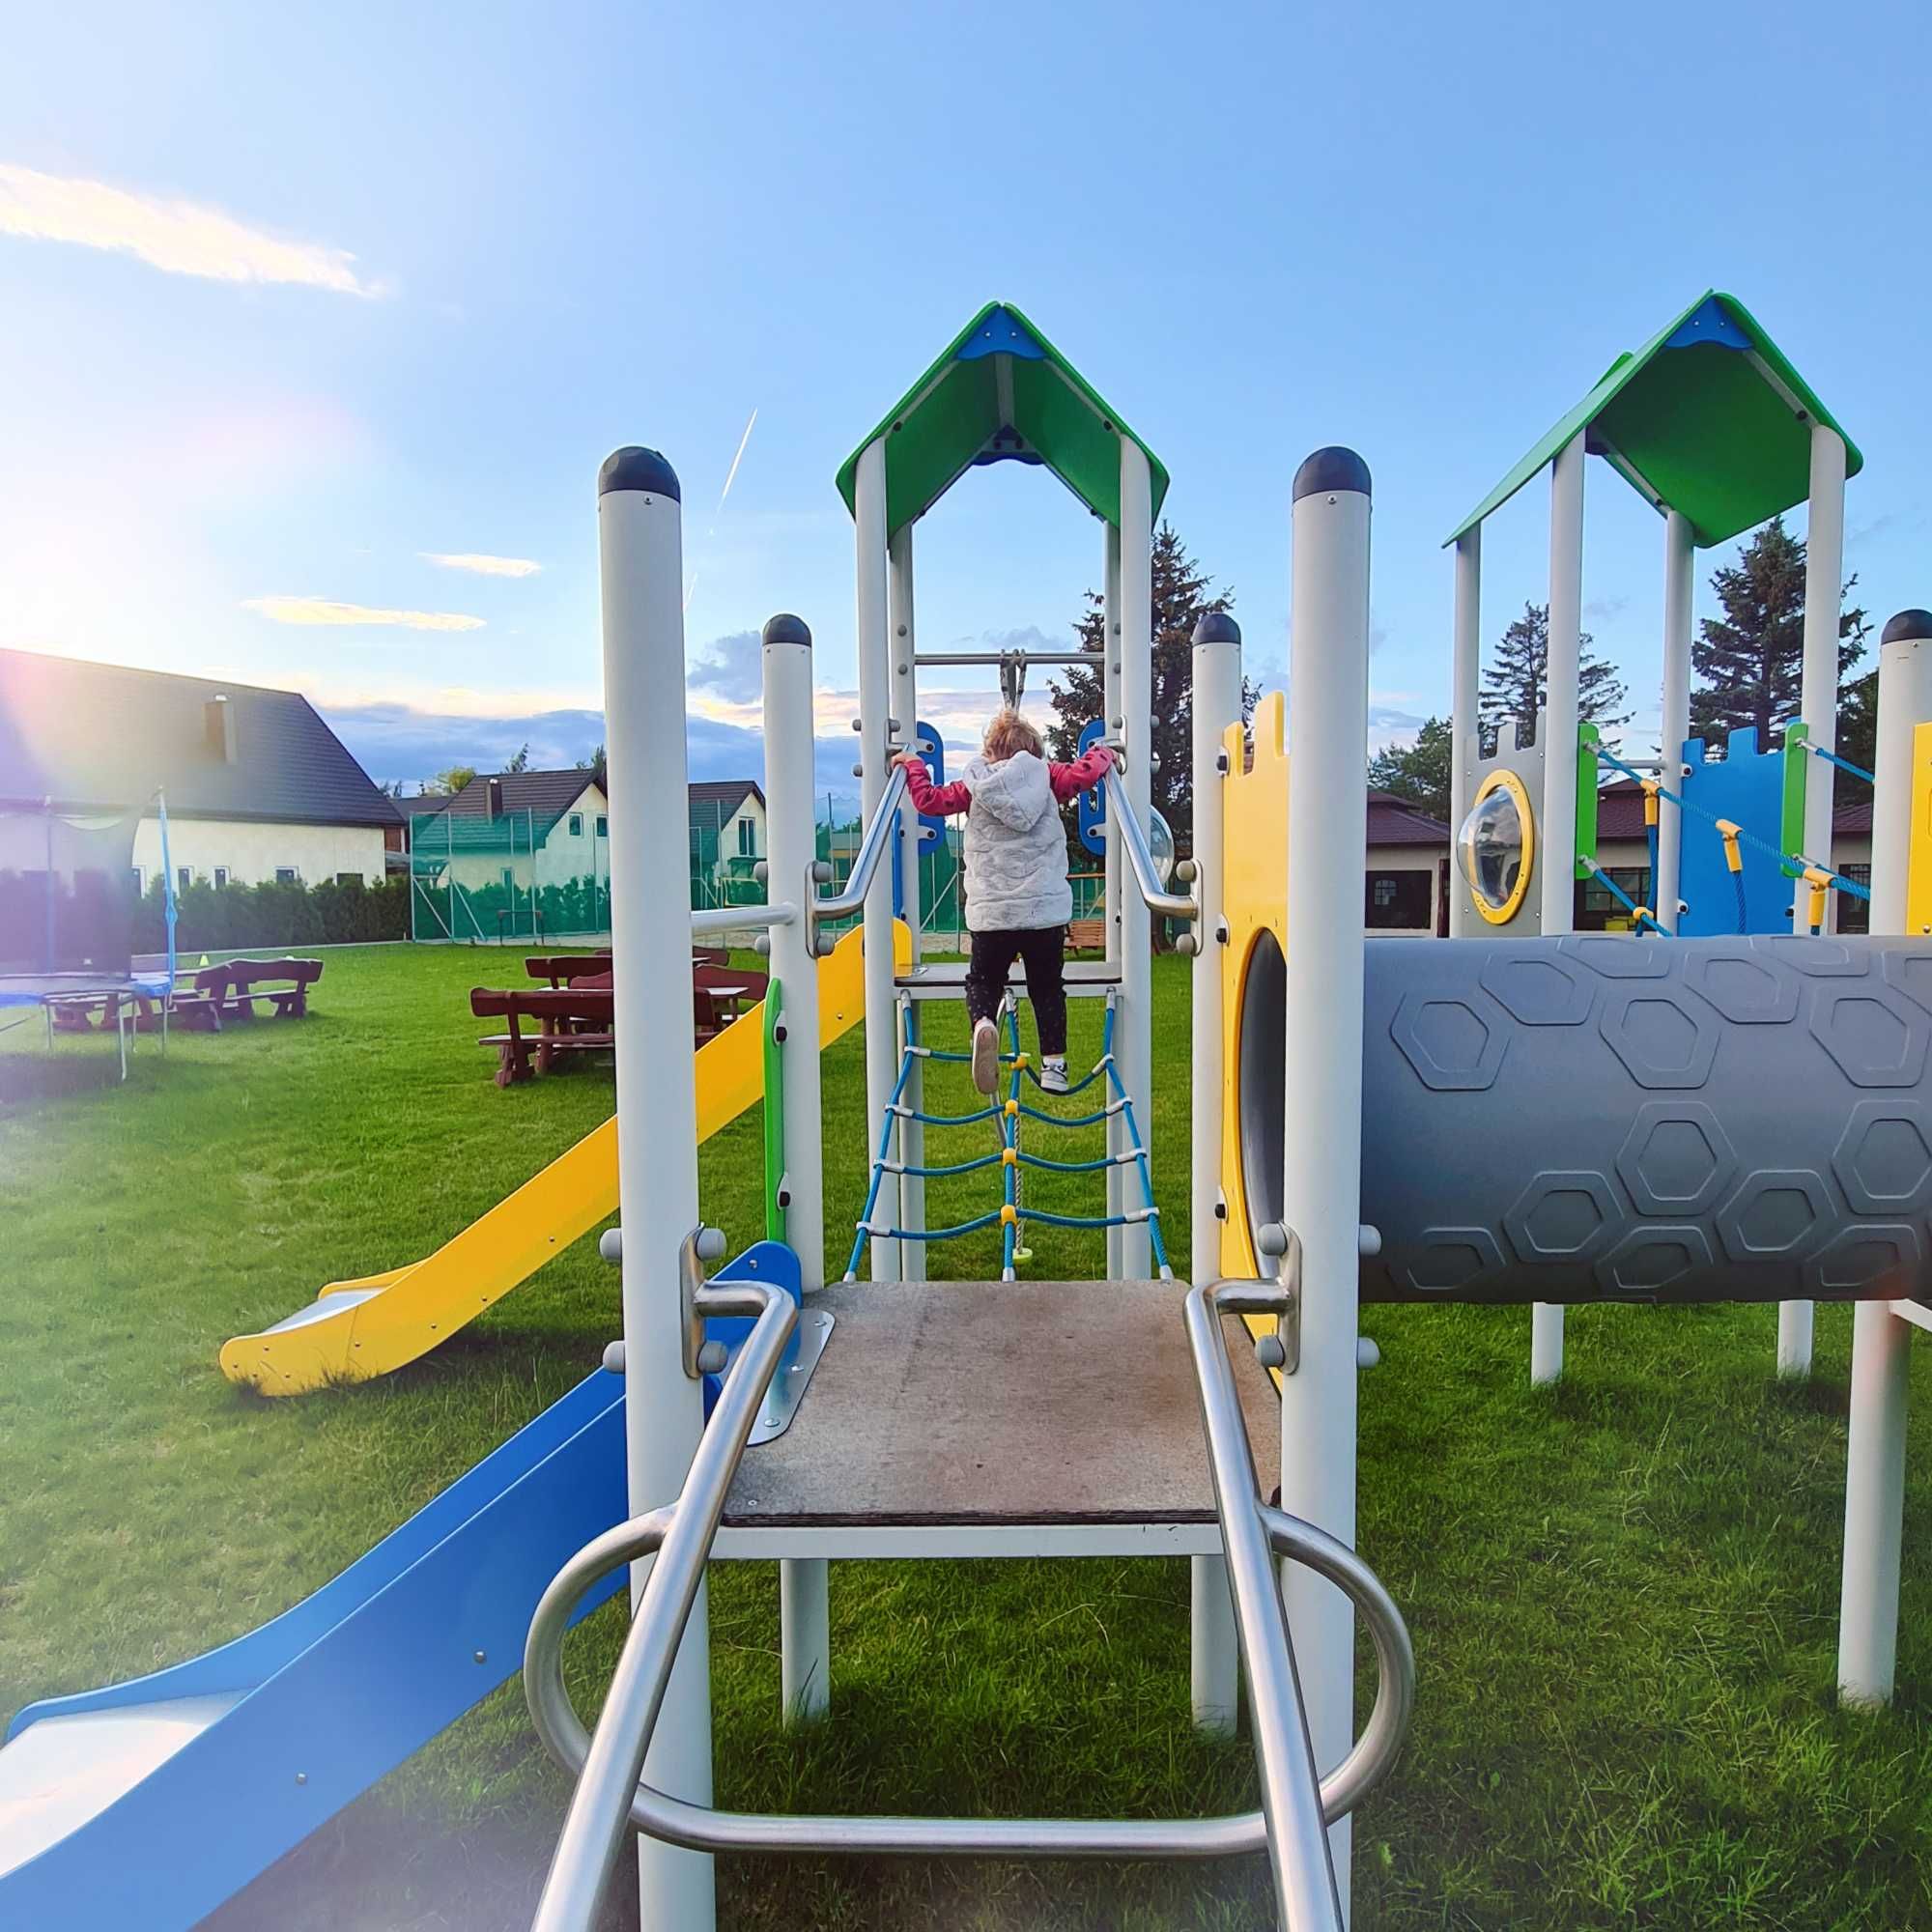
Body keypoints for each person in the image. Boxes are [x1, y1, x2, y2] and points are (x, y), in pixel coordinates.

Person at [893, 710, 1119, 1095]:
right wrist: (1105, 754)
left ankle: (983, 1023)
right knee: (1047, 987)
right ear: (1033, 751)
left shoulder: (975, 784)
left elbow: (929, 801)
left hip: (992, 911)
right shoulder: (1048, 777)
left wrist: (914, 765)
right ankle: (1054, 1067)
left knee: (984, 980)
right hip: (1043, 912)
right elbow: (1084, 774)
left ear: (989, 750)